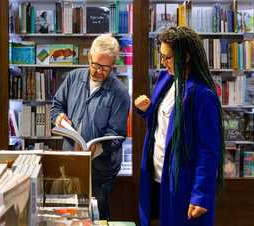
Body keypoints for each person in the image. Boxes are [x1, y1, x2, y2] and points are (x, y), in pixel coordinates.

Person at [135, 26, 224, 226]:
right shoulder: (167, 78)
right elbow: (165, 125)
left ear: (185, 57)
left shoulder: (203, 95)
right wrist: (146, 110)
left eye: (167, 57)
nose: (162, 62)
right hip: (156, 177)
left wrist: (200, 195)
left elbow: (208, 150)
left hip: (182, 184)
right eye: (161, 56)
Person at [50, 34, 130, 220]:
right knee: (70, 217)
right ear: (89, 58)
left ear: (113, 65)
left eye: (105, 68)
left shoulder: (119, 93)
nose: (98, 71)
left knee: (97, 217)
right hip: (70, 162)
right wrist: (58, 117)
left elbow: (118, 134)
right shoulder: (73, 78)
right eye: (95, 65)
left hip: (101, 171)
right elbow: (56, 106)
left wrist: (99, 147)